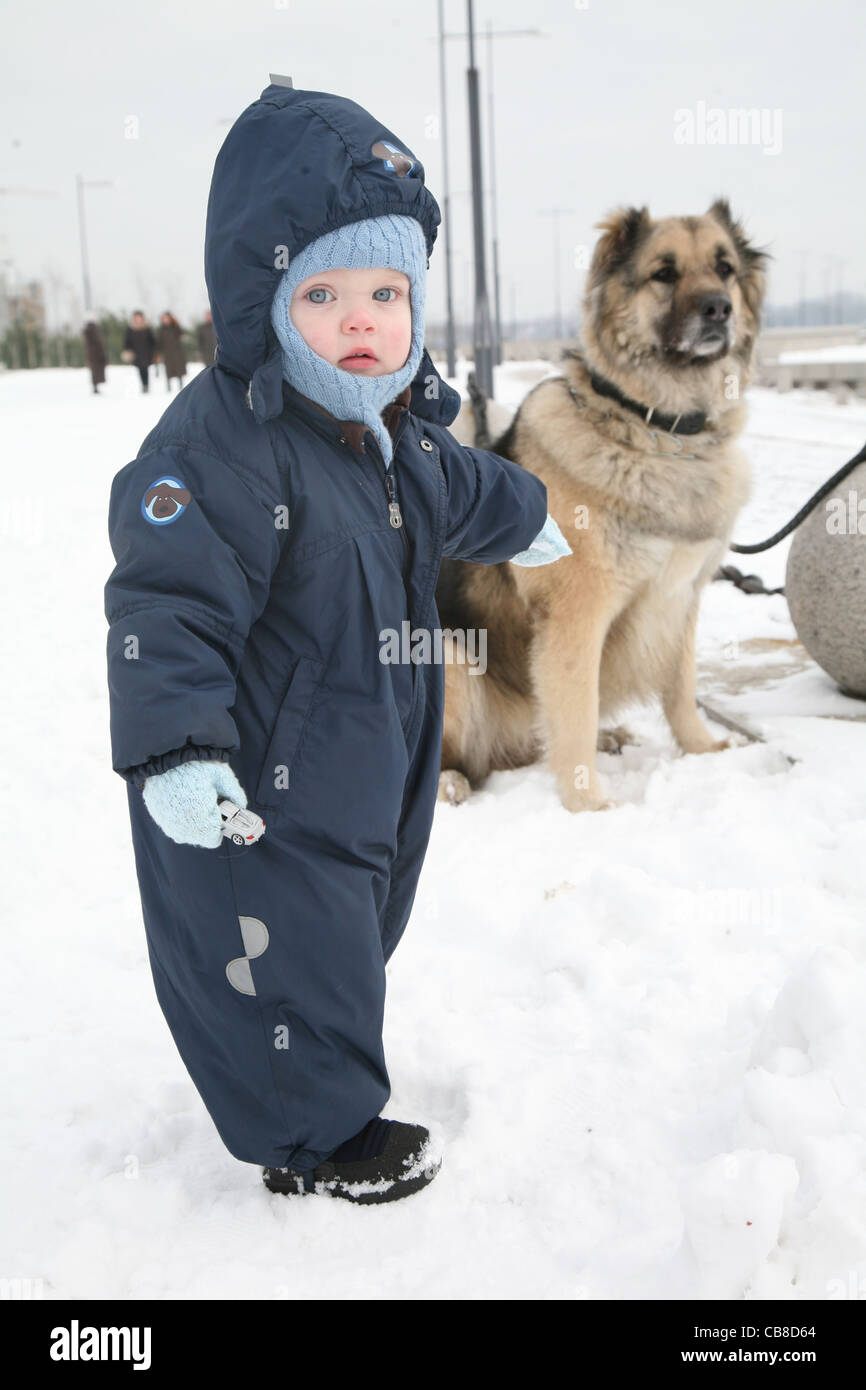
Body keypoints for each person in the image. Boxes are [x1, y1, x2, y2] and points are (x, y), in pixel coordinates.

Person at [103, 83, 571, 1205]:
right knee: (286, 960)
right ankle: (313, 1138)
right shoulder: (223, 448)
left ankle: (316, 1083)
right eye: (322, 291)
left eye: (386, 290)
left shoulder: (392, 433)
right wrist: (174, 749)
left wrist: (524, 511)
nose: (362, 320)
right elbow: (167, 604)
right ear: (259, 297)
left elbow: (461, 488)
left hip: (370, 761)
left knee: (354, 933)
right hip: (256, 786)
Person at [123, 310, 156, 392]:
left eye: (139, 317)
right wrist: (127, 350)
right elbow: (127, 341)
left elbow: (152, 340)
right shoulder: (131, 329)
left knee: (145, 369)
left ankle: (146, 385)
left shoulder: (146, 328)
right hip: (136, 353)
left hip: (146, 352)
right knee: (140, 370)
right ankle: (144, 385)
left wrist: (154, 350)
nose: (138, 319)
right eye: (136, 317)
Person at [157, 311, 187, 392]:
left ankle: (180, 385)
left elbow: (181, 333)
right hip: (167, 353)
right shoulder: (161, 329)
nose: (165, 320)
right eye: (163, 318)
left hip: (177, 352)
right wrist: (158, 353)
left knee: (179, 369)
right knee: (168, 370)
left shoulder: (175, 327)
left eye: (166, 318)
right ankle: (168, 387)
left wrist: (176, 323)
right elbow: (159, 342)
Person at [82, 312, 106, 394]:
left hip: (93, 354)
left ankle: (96, 386)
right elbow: (97, 342)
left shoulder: (91, 329)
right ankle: (95, 387)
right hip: (94, 354)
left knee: (95, 371)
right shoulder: (92, 330)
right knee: (95, 371)